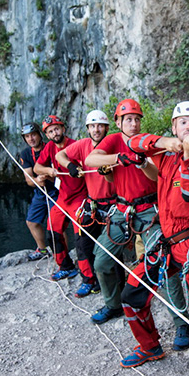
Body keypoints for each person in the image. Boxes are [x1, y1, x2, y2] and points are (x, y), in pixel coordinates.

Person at [111, 101, 189, 366]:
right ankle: (150, 347)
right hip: (168, 243)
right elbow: (133, 143)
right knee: (132, 294)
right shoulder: (165, 154)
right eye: (183, 122)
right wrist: (164, 142)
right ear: (174, 127)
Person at [83, 99, 188, 331]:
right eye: (128, 119)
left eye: (136, 119)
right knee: (101, 260)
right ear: (118, 122)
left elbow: (155, 176)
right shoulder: (112, 141)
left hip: (149, 209)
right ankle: (113, 304)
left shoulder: (146, 142)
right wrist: (117, 159)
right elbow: (90, 160)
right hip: (122, 210)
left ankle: (181, 322)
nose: (133, 124)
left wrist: (140, 162)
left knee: (164, 264)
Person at [53, 110, 114, 297]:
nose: (96, 130)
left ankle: (115, 287)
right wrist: (70, 166)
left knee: (111, 249)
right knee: (83, 243)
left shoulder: (113, 144)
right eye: (93, 126)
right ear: (88, 128)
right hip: (93, 203)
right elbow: (60, 156)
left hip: (112, 203)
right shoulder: (83, 145)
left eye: (100, 126)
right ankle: (90, 280)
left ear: (106, 128)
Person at [32, 115, 82, 281]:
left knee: (80, 237)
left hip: (79, 196)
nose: (55, 133)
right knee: (52, 231)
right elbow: (37, 167)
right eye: (50, 131)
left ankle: (88, 275)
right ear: (47, 135)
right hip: (63, 197)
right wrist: (47, 172)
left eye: (57, 129)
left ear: (63, 129)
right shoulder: (49, 148)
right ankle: (66, 266)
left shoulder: (75, 145)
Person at [18, 123, 53, 261]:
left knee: (55, 224)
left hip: (56, 190)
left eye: (33, 135)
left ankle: (61, 254)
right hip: (40, 192)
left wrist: (47, 176)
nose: (31, 139)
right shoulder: (26, 154)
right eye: (27, 136)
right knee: (31, 222)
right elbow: (28, 180)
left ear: (39, 135)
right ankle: (42, 249)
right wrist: (37, 180)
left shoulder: (51, 148)